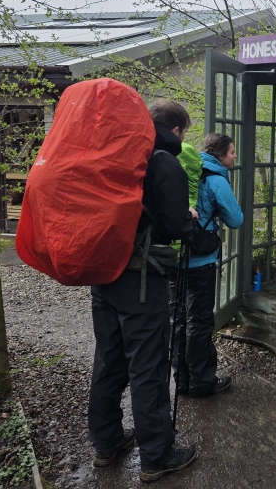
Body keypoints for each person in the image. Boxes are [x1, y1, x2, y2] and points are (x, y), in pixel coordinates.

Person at [88, 99, 200, 483]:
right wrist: (188, 219)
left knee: (108, 360)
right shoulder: (163, 161)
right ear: (177, 129)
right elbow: (174, 225)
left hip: (103, 271)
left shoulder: (117, 153)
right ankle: (157, 456)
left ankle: (106, 443)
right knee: (148, 365)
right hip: (140, 279)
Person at [173, 133, 243, 398]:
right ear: (220, 155)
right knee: (199, 321)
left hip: (174, 257)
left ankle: (181, 380)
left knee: (177, 318)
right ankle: (202, 381)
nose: (234, 156)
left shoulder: (182, 172)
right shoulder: (216, 180)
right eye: (232, 151)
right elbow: (235, 219)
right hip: (200, 262)